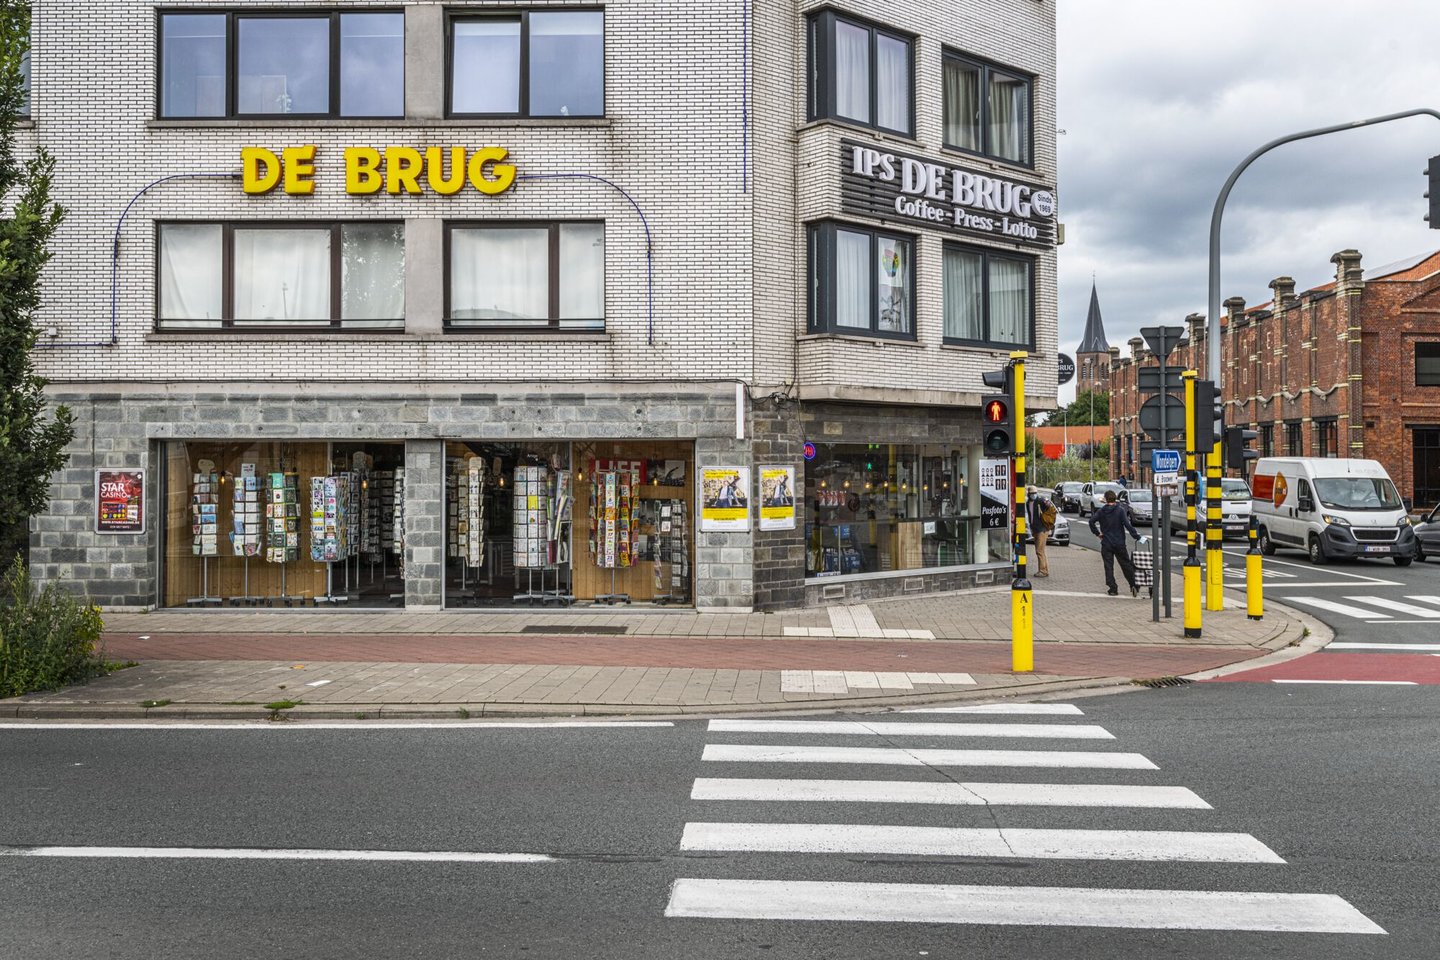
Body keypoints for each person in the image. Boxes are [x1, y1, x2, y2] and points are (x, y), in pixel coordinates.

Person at [1088, 489, 1142, 596]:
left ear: (1106, 499)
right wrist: (1137, 536)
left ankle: (1112, 588)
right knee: (1126, 564)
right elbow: (1127, 525)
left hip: (1106, 543)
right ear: (1115, 498)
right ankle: (1134, 584)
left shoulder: (1101, 511)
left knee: (1108, 566)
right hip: (1119, 543)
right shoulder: (1120, 511)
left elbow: (1091, 521)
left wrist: (1098, 533)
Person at [1026, 485, 1053, 577]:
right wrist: (1032, 529)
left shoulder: (1040, 501)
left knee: (1039, 551)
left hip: (1042, 529)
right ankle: (1044, 569)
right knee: (1041, 551)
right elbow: (1031, 517)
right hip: (1035, 529)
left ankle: (1042, 571)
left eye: (1035, 493)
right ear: (1028, 494)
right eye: (1031, 493)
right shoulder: (1028, 503)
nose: (1033, 495)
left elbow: (1050, 507)